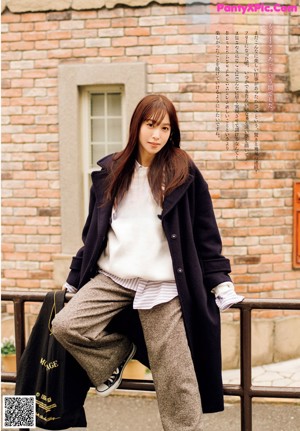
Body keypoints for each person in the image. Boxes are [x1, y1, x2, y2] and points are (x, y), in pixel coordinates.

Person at [52, 94, 244, 431]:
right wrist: (73, 277)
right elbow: (93, 234)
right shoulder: (111, 171)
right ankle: (116, 356)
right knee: (66, 326)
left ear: (173, 132)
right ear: (136, 125)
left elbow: (205, 232)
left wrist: (221, 281)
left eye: (165, 128)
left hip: (164, 285)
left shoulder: (183, 172)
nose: (156, 134)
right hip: (114, 278)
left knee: (175, 378)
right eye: (150, 125)